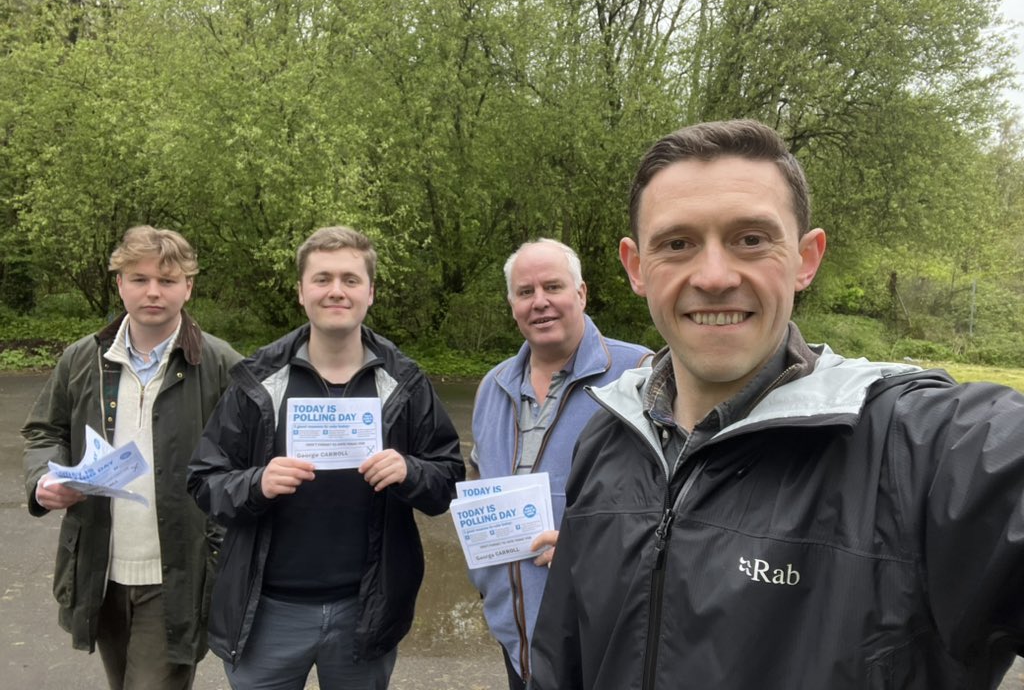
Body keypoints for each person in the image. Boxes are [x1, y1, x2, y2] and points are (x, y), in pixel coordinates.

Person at [527, 120, 1024, 689]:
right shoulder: (609, 436)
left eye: (751, 239)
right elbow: (561, 660)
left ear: (806, 259)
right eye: (678, 243)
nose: (714, 276)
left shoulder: (914, 446)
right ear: (637, 267)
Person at [187, 225, 465, 690]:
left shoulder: (406, 383)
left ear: (370, 293)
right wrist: (256, 483)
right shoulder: (257, 381)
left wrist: (410, 471)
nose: (336, 290)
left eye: (350, 280)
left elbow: (448, 478)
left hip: (365, 612)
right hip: (266, 614)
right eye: (322, 279)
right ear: (301, 291)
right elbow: (204, 480)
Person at [21, 225, 241, 690]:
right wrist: (42, 479)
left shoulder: (221, 366)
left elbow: (245, 462)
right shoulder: (82, 358)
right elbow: (45, 431)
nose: (153, 292)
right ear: (120, 284)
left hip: (178, 574)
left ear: (188, 286)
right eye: (139, 279)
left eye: (167, 279)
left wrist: (222, 542)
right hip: (100, 569)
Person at [470, 238, 651, 689]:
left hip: (602, 638)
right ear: (512, 303)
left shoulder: (640, 375)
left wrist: (590, 545)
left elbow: (672, 506)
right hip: (518, 636)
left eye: (553, 286)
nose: (540, 302)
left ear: (582, 293)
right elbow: (478, 484)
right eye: (525, 292)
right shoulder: (492, 386)